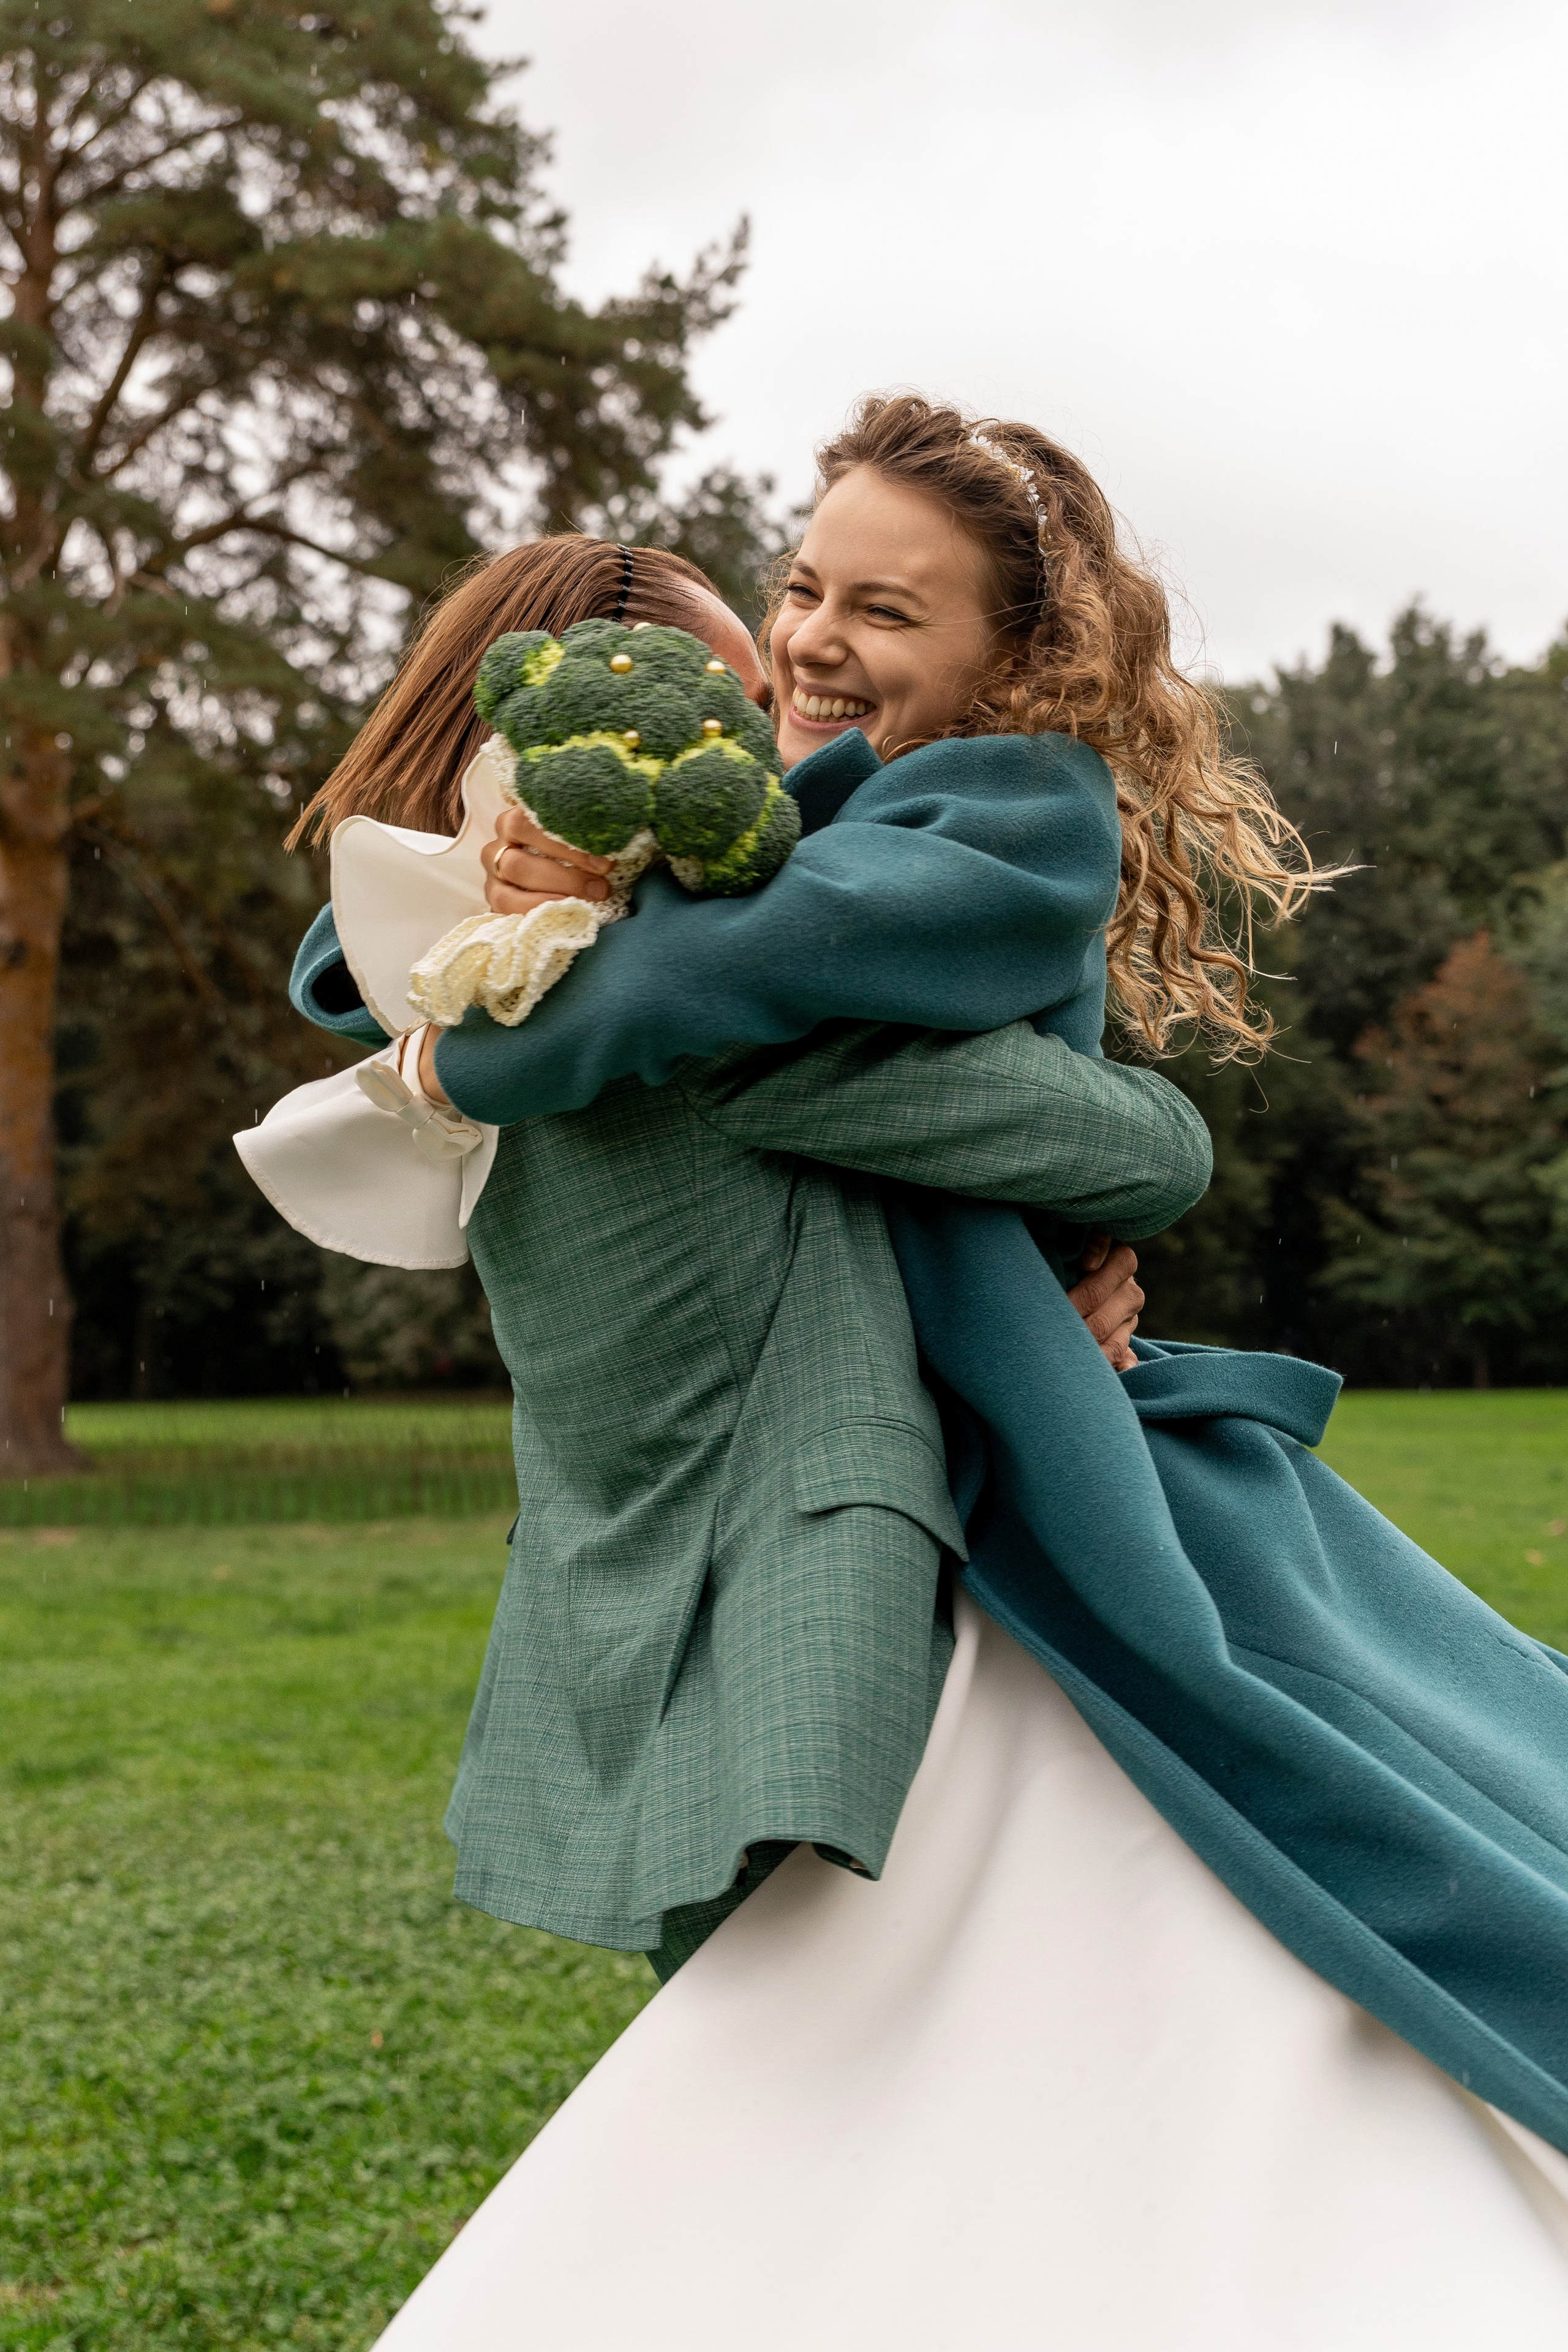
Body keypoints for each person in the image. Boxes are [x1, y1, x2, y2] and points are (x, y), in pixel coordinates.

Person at [315, 399, 1568, 2348]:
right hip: (884, 1482)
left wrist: (509, 1024)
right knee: (998, 1972)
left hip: (998, 1465)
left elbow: (763, 1022)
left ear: (1013, 656)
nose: (810, 637)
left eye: (876, 606)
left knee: (1192, 1907)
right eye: (801, 584)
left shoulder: (986, 809)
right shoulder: (748, 846)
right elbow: (1024, 1112)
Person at [273, 528, 1210, 1978]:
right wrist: (1030, 1312)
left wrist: (1014, 1301)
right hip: (806, 1598)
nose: (761, 764)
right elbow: (1144, 1152)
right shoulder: (665, 1018)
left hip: (635, 1614)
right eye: (720, 715)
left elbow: (789, 1241)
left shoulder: (456, 990)